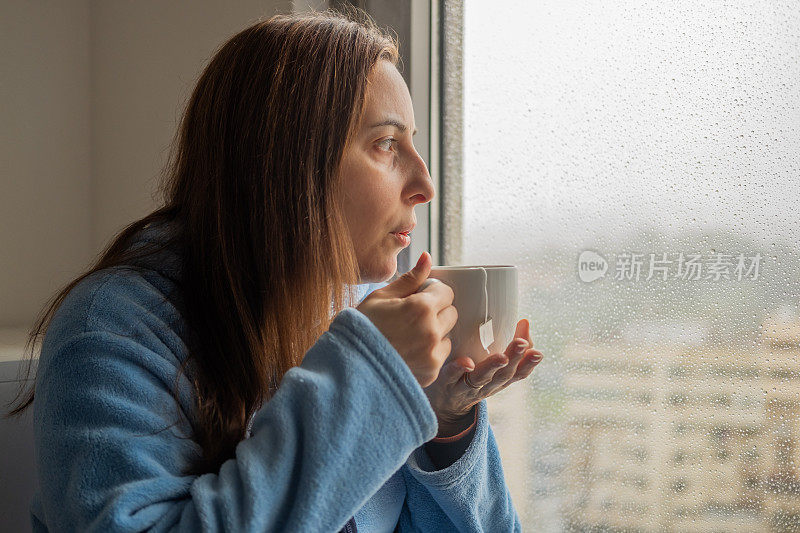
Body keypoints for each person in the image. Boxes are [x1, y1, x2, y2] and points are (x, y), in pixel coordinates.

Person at [4, 9, 544, 532]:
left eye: (414, 143)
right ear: (289, 164)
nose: (424, 185)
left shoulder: (374, 312)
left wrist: (444, 423)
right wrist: (368, 379)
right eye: (386, 143)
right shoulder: (113, 328)